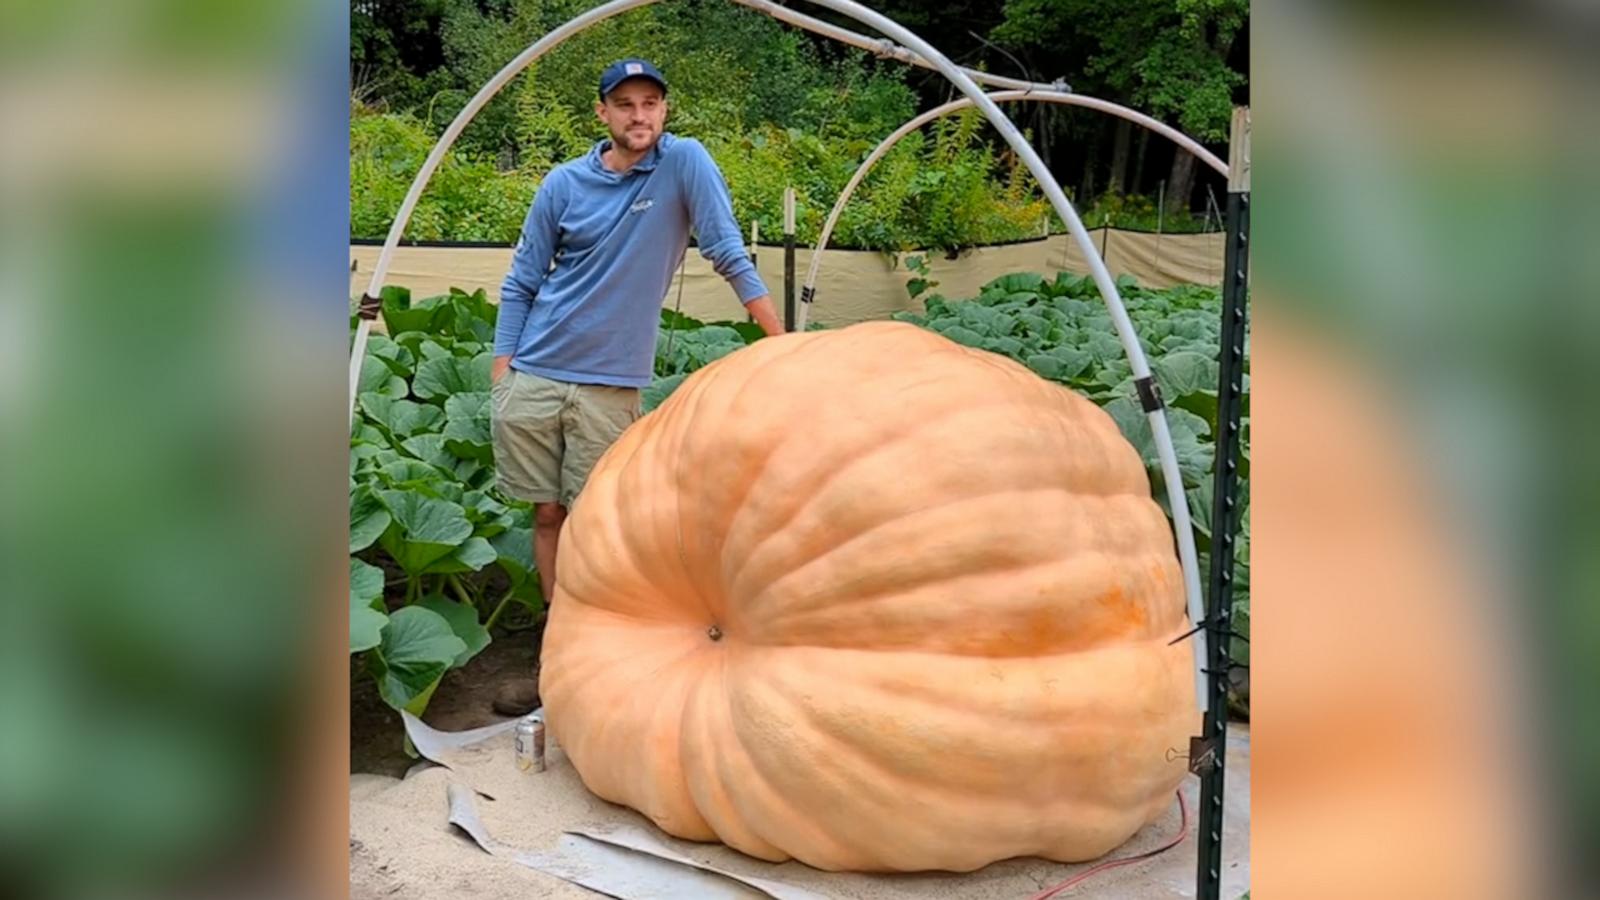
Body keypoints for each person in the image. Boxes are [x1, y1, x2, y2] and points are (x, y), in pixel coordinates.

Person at [489, 58, 784, 715]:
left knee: (598, 525)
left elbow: (727, 250)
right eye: (624, 104)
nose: (639, 114)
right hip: (536, 370)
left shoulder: (685, 165)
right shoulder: (562, 185)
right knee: (546, 515)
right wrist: (503, 369)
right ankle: (554, 649)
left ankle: (600, 657)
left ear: (665, 111)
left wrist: (782, 342)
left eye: (650, 102)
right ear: (602, 113)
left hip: (608, 385)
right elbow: (523, 280)